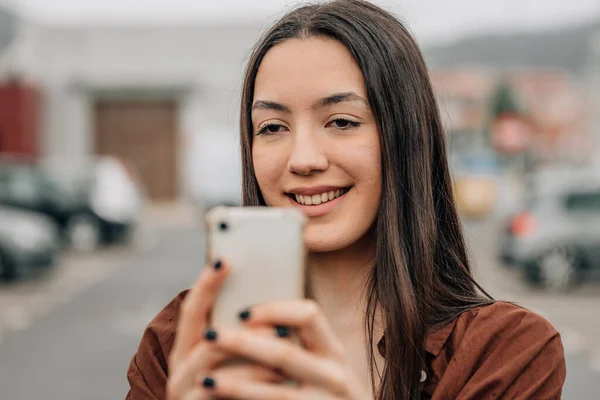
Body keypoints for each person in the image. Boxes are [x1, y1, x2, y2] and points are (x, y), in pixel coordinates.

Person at [125, 1, 566, 399]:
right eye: (273, 127)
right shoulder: (177, 344)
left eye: (341, 121)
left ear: (406, 137)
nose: (303, 160)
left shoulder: (505, 353)